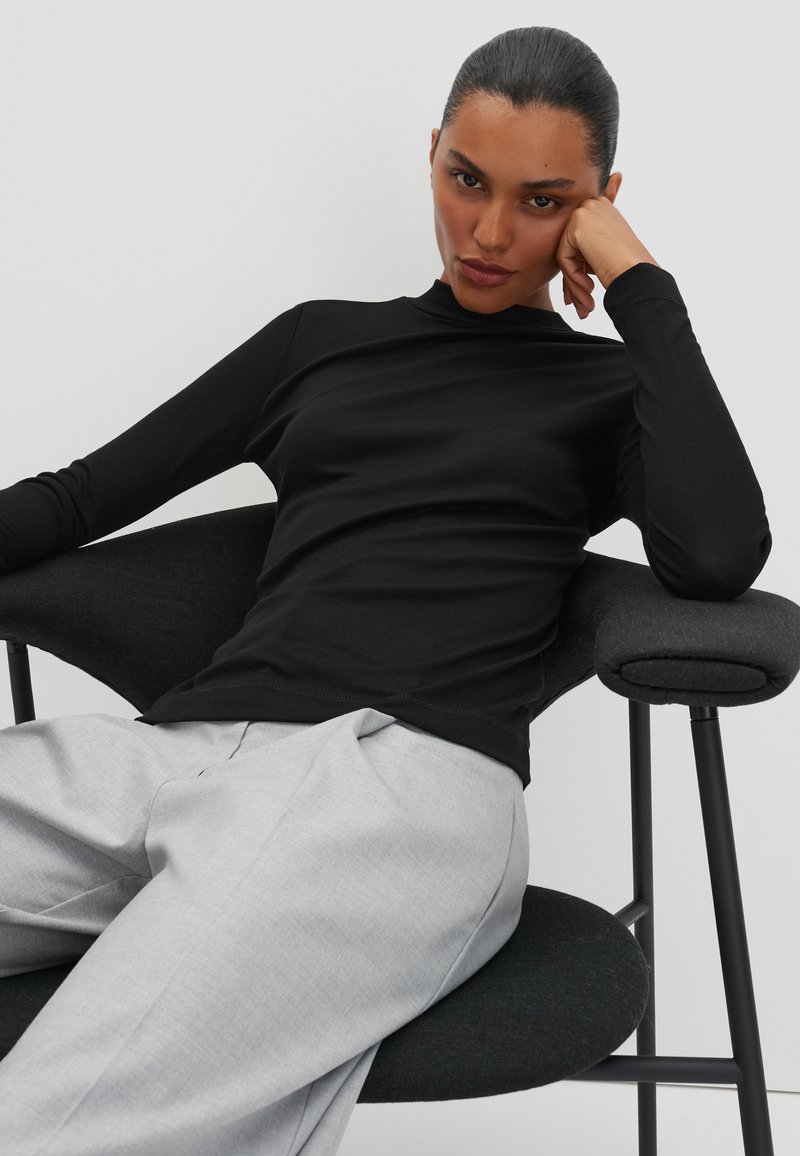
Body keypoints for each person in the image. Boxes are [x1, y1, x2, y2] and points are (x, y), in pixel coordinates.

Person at [0, 24, 771, 1156]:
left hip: (401, 780)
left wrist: (638, 283)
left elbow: (715, 553)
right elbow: (77, 498)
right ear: (432, 156)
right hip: (176, 755)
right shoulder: (318, 344)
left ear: (599, 205)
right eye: (466, 179)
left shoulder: (612, 390)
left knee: (54, 1117)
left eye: (543, 201)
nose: (489, 232)